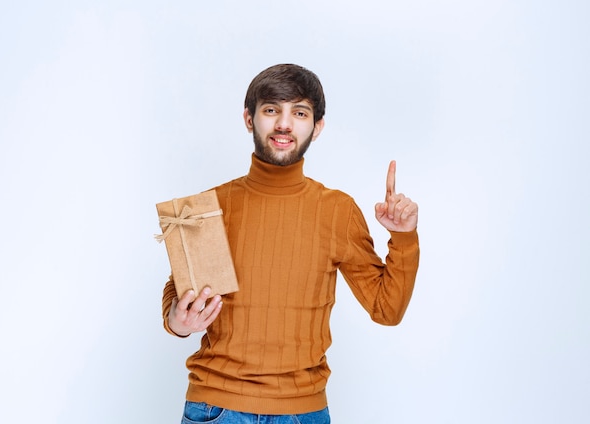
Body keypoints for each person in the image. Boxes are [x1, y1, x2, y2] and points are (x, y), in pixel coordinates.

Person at [161, 64, 420, 423]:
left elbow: (387, 310)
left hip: (303, 412)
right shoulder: (205, 208)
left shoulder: (338, 211)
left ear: (317, 127)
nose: (284, 124)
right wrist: (178, 321)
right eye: (271, 110)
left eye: (299, 113)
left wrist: (404, 236)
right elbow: (179, 298)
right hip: (215, 409)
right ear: (249, 119)